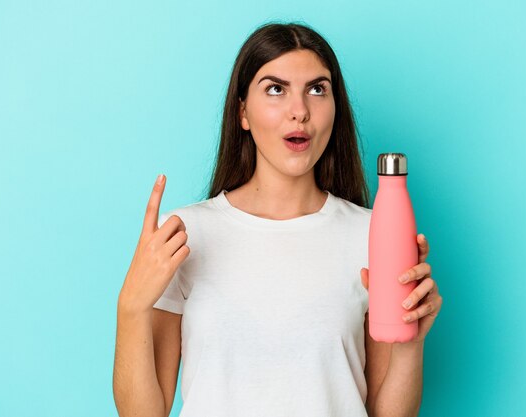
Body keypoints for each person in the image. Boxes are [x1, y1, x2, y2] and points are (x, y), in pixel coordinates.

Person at [113, 22, 442, 417]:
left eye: (317, 89)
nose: (299, 111)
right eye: (275, 89)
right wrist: (131, 306)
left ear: (336, 108)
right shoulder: (186, 234)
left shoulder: (371, 234)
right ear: (243, 113)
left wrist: (411, 343)